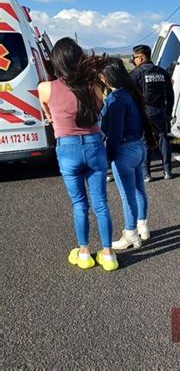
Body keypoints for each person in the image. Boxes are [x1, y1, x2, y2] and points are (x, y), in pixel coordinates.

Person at [38, 37, 118, 272]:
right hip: (94, 146)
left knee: (79, 204)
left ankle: (84, 253)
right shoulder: (92, 87)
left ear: (56, 62)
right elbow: (100, 108)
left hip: (68, 149)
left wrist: (53, 118)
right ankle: (108, 254)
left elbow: (46, 109)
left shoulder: (47, 88)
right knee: (101, 204)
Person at [99, 58, 157, 249]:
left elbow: (113, 131)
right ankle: (143, 226)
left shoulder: (114, 99)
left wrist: (108, 156)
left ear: (107, 77)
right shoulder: (131, 94)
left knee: (127, 195)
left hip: (124, 151)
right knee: (139, 190)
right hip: (139, 147)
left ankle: (130, 234)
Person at [129, 44, 175, 181]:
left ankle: (146, 174)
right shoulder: (162, 72)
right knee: (163, 138)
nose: (133, 60)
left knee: (144, 140)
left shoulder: (136, 73)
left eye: (134, 57)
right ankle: (167, 171)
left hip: (144, 111)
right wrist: (168, 112)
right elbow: (170, 95)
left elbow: (130, 95)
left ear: (142, 58)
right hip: (160, 110)